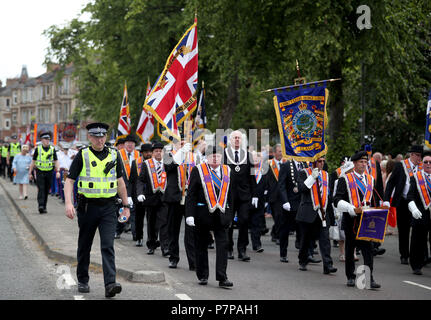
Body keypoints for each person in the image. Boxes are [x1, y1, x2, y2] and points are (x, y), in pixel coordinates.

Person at [64, 122, 130, 298]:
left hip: (109, 207)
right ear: (90, 137)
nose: (99, 140)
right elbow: (69, 181)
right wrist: (69, 203)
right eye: (96, 136)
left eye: (102, 136)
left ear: (106, 137)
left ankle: (110, 284)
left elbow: (120, 182)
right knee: (85, 245)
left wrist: (126, 206)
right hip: (87, 207)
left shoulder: (114, 155)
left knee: (108, 245)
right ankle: (83, 280)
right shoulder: (83, 155)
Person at [185, 145, 234, 287]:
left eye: (218, 155)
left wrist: (231, 215)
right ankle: (202, 275)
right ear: (206, 158)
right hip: (202, 214)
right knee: (201, 245)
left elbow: (231, 196)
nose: (215, 158)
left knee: (223, 246)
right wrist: (190, 215)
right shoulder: (198, 170)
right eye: (212, 155)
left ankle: (222, 277)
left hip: (222, 215)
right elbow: (191, 195)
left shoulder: (227, 171)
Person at [334, 150, 381, 289]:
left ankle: (369, 277)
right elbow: (336, 200)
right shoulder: (345, 179)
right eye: (361, 162)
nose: (364, 164)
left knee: (368, 250)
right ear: (354, 163)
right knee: (350, 248)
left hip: (367, 221)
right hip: (351, 220)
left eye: (366, 162)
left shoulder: (370, 180)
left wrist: (380, 207)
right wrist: (351, 208)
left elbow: (374, 199)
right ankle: (350, 276)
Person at [296, 156, 337, 274]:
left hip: (322, 213)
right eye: (319, 161)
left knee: (325, 240)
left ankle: (328, 265)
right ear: (313, 162)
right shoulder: (303, 173)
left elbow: (328, 195)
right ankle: (303, 261)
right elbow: (302, 189)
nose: (322, 163)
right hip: (308, 212)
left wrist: (332, 214)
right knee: (305, 240)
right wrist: (312, 178)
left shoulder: (326, 175)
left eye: (324, 161)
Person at [384, 145, 423, 265]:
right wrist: (386, 200)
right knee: (404, 229)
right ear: (411, 155)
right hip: (403, 201)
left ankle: (419, 255)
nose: (419, 158)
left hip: (418, 202)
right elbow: (391, 183)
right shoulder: (401, 166)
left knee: (419, 229)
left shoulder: (423, 167)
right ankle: (404, 254)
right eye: (417, 155)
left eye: (420, 156)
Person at [163, 140, 196, 269]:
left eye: (184, 142)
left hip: (190, 198)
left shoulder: (194, 156)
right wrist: (181, 153)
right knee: (173, 230)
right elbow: (169, 167)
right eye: (179, 142)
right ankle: (173, 258)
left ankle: (193, 261)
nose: (182, 144)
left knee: (191, 231)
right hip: (174, 197)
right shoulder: (168, 155)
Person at [224, 130, 255, 261]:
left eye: (239, 138)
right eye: (234, 138)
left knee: (243, 221)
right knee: (229, 222)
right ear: (230, 140)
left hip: (244, 195)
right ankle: (229, 248)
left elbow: (252, 176)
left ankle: (242, 250)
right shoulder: (224, 155)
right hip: (228, 195)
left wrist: (255, 195)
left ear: (241, 141)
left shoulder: (248, 156)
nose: (237, 140)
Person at [136, 142, 166, 255]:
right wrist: (140, 193)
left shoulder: (168, 163)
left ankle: (165, 247)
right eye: (156, 151)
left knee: (164, 223)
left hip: (164, 198)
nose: (158, 153)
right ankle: (151, 244)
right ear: (153, 153)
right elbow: (140, 180)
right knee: (151, 223)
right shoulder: (147, 164)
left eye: (160, 151)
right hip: (150, 198)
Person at [407, 151, 431, 275]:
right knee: (418, 240)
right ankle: (416, 265)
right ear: (422, 163)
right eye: (425, 162)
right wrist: (414, 209)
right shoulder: (416, 178)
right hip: (421, 213)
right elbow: (410, 196)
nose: (428, 164)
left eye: (430, 162)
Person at [28, 132, 60, 214]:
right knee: (41, 188)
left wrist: (58, 171)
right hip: (40, 171)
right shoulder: (38, 149)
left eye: (48, 139)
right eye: (45, 139)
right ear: (42, 140)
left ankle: (44, 206)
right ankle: (40, 205)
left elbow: (56, 161)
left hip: (49, 171)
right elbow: (33, 161)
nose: (47, 141)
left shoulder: (52, 149)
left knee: (46, 189)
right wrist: (30, 173)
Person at [114, 134, 139, 240]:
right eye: (128, 143)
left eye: (132, 143)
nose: (130, 145)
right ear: (124, 144)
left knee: (134, 212)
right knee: (121, 210)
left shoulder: (138, 155)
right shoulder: (118, 154)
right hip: (121, 186)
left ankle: (135, 234)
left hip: (135, 188)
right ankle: (118, 230)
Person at [134, 143, 152, 247]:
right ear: (142, 153)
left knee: (151, 219)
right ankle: (139, 237)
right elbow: (133, 180)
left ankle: (151, 239)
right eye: (146, 152)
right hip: (139, 194)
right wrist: (131, 195)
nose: (148, 154)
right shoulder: (135, 163)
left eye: (150, 152)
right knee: (139, 218)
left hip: (150, 195)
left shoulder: (155, 163)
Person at [249, 151, 267, 253]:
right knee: (246, 222)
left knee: (257, 222)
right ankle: (244, 244)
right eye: (253, 157)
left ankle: (257, 244)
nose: (255, 159)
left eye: (257, 157)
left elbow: (267, 183)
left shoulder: (264, 169)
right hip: (248, 200)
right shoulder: (248, 169)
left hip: (260, 200)